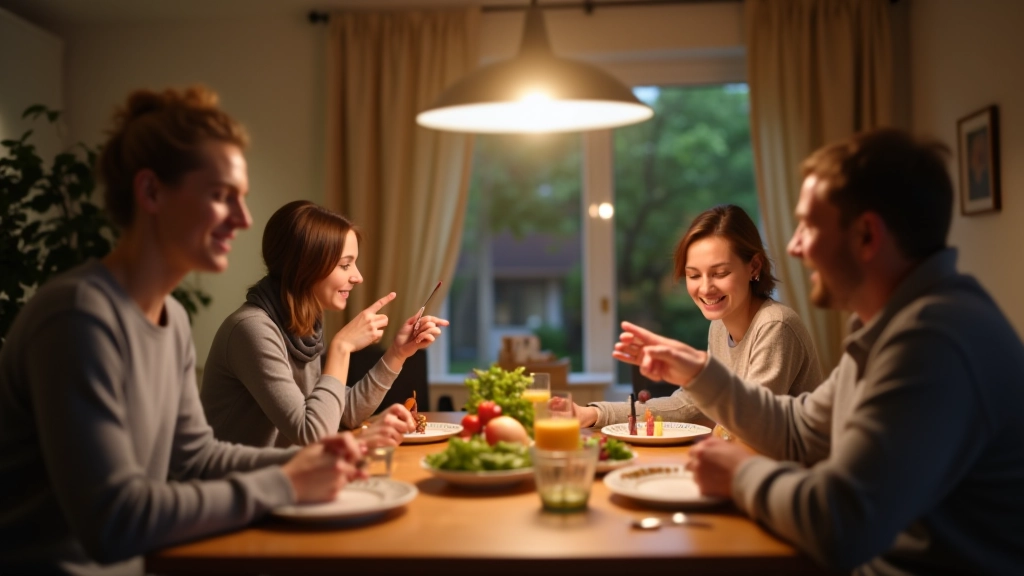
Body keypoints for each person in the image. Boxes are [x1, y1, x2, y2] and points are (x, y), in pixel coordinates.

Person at [0, 87, 366, 576]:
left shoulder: (170, 318)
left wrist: (309, 464)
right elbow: (113, 522)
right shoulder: (77, 317)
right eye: (221, 196)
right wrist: (287, 484)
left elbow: (194, 458)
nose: (243, 219)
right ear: (151, 192)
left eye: (242, 198)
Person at [625, 128, 1024, 574]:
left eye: (809, 225)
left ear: (866, 236)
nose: (795, 246)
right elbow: (801, 429)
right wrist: (700, 371)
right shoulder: (888, 326)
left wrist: (739, 475)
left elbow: (841, 522)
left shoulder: (933, 341)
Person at [200, 200, 448, 448]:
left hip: (290, 471)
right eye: (345, 265)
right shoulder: (251, 330)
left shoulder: (303, 326)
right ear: (305, 267)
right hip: (244, 475)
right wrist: (341, 347)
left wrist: (397, 353)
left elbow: (342, 414)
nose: (358, 277)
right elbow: (313, 434)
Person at [576, 205, 821, 431]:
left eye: (720, 273)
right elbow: (690, 404)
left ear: (754, 266)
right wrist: (594, 413)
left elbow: (752, 423)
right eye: (693, 276)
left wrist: (695, 372)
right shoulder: (719, 326)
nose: (705, 288)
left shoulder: (775, 325)